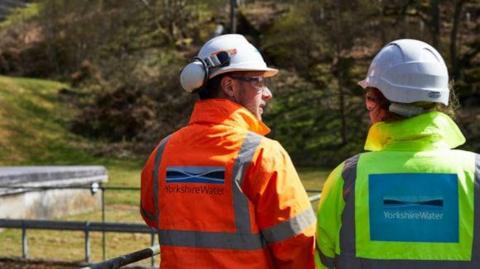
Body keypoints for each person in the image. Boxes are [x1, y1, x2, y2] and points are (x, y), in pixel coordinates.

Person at [141, 34, 316, 269]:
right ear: (230, 86)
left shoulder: (163, 152)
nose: (267, 93)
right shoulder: (263, 155)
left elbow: (152, 216)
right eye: (258, 82)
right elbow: (297, 247)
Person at [315, 39, 480, 268]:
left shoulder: (347, 178)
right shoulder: (476, 174)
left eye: (370, 99)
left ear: (378, 104)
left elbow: (323, 259)